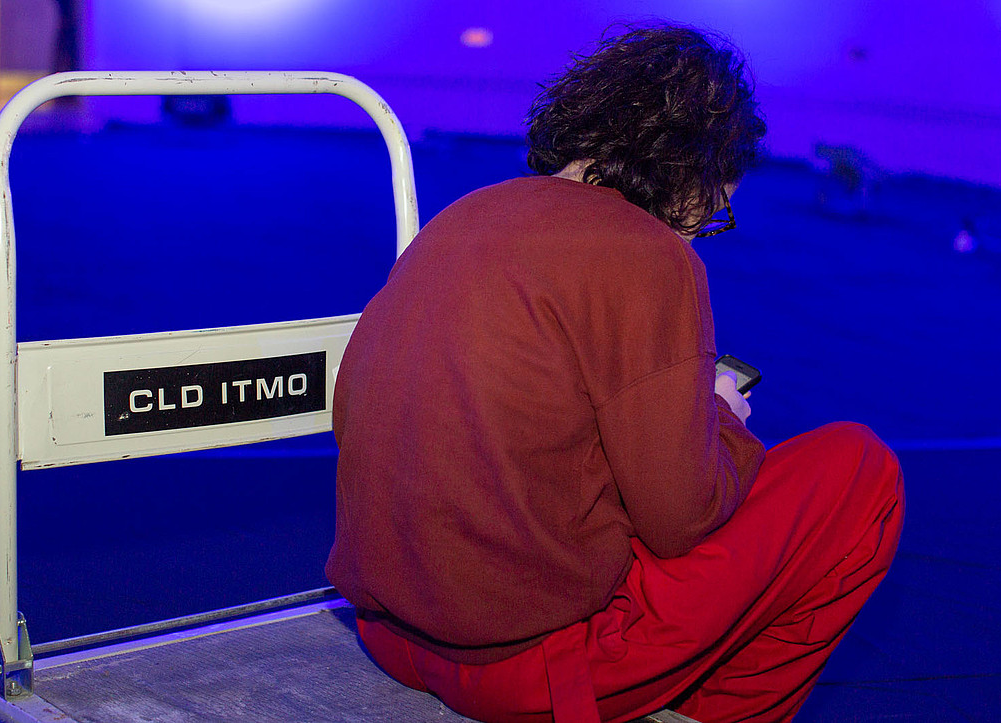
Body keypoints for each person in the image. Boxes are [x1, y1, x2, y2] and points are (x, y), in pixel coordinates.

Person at [326, 23, 904, 723]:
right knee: (859, 467)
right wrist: (720, 415)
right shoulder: (651, 254)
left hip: (388, 635)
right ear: (694, 167)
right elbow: (683, 520)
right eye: (715, 208)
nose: (702, 230)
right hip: (521, 668)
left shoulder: (464, 214)